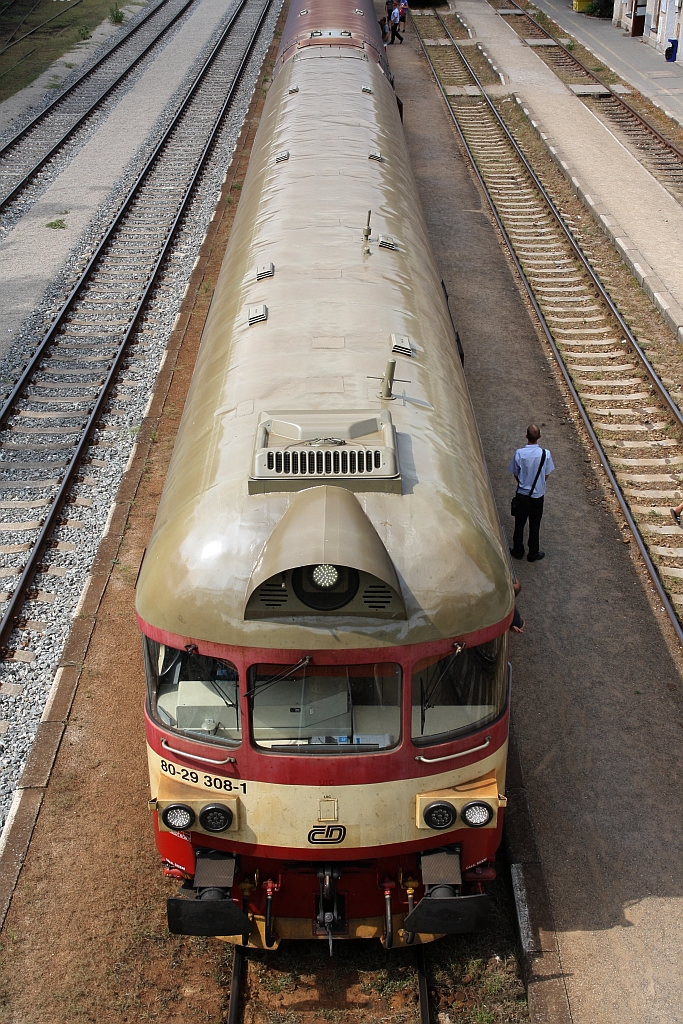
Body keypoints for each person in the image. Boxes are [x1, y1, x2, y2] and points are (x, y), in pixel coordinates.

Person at [509, 424, 555, 562]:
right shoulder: (545, 454)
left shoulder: (519, 453)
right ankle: (533, 553)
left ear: (526, 436)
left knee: (519, 524)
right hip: (537, 496)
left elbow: (515, 472)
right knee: (535, 525)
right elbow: (546, 475)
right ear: (539, 437)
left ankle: (518, 550)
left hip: (522, 495)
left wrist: (522, 482)